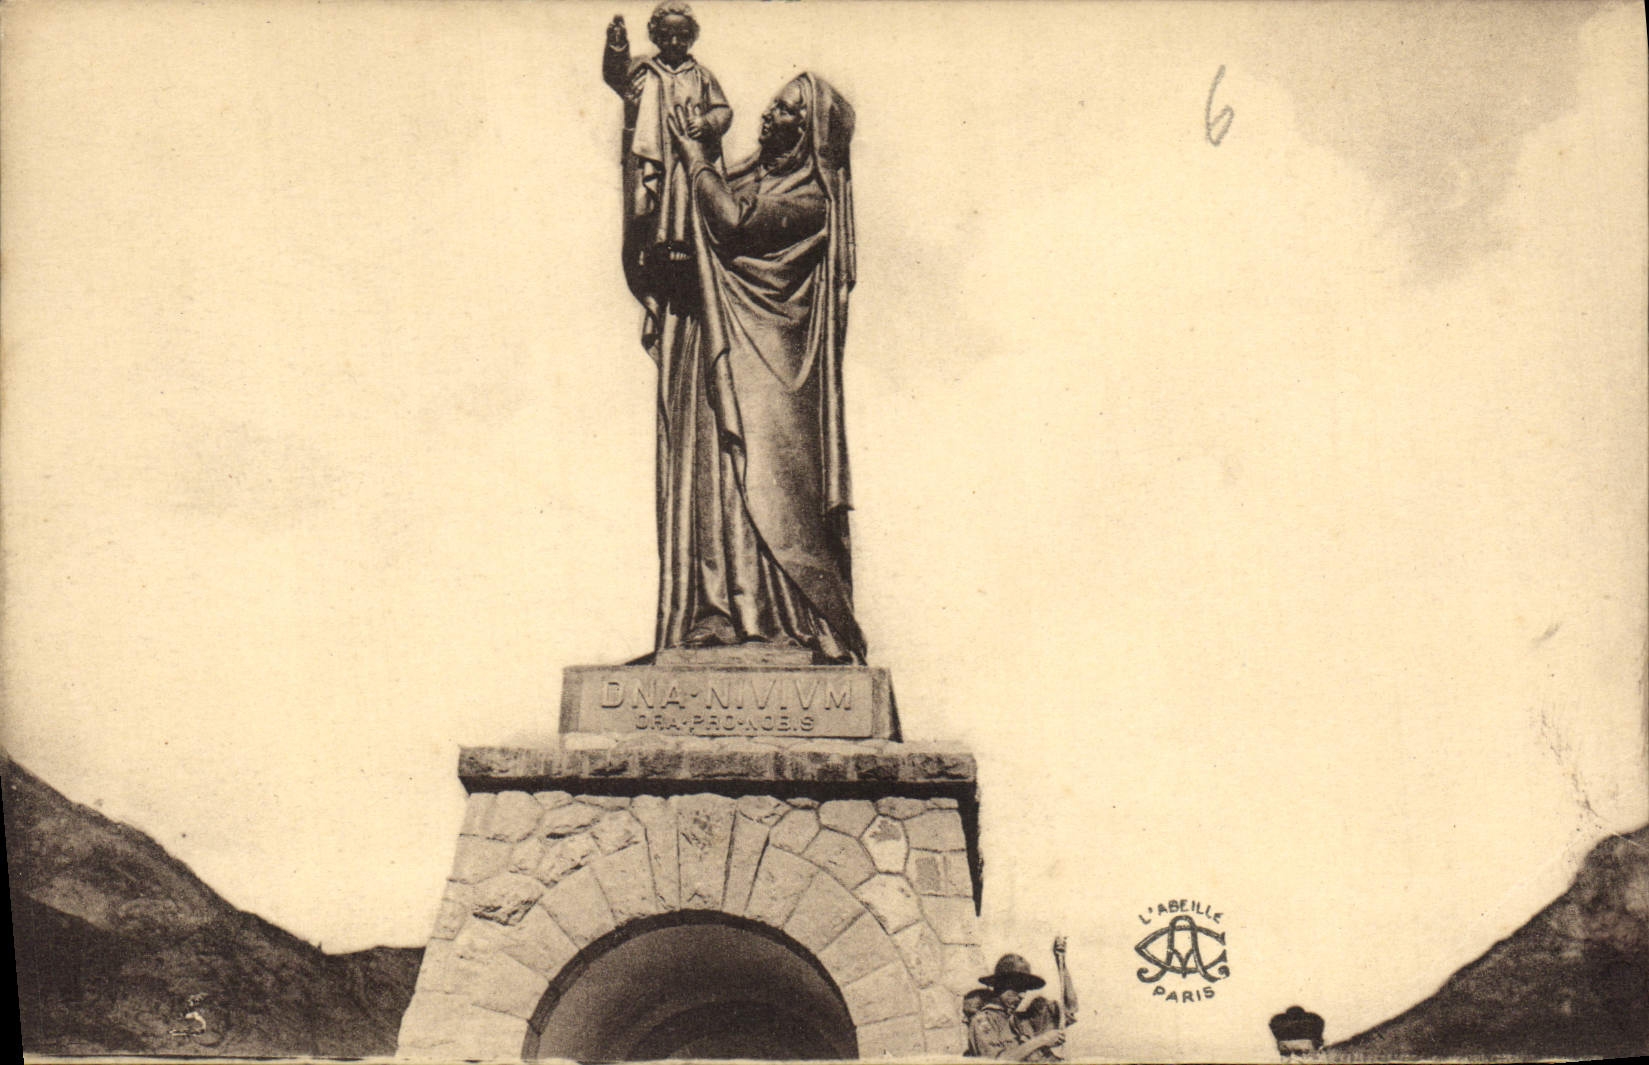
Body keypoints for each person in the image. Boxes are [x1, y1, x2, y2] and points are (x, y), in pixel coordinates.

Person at [650, 73, 867, 662]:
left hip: (773, 373)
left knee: (769, 484)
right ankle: (717, 614)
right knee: (715, 474)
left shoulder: (811, 203)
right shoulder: (740, 177)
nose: (768, 114)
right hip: (716, 353)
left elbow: (733, 223)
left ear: (810, 132)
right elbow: (686, 222)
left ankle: (780, 622)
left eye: (786, 109)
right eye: (772, 104)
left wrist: (696, 159)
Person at [604, 4, 732, 318]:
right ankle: (654, 274)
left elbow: (723, 110)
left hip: (688, 160)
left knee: (685, 204)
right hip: (652, 160)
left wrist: (707, 123)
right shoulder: (644, 69)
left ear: (691, 38)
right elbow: (616, 76)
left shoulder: (701, 76)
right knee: (650, 213)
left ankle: (681, 249)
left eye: (682, 36)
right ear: (656, 36)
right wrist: (617, 45)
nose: (674, 42)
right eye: (667, 35)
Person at [968, 954, 1068, 1061]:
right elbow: (996, 1062)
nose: (1023, 995)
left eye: (1025, 989)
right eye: (1018, 988)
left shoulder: (1020, 1021)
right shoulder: (983, 1021)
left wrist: (1061, 963)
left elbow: (1068, 1010)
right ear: (1000, 985)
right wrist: (1042, 1040)